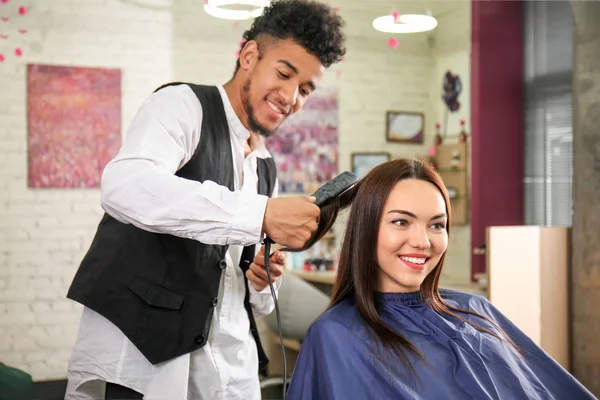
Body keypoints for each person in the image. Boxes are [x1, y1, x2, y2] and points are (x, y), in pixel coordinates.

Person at [64, 1, 346, 399]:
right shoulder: (181, 106)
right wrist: (260, 214)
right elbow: (124, 185)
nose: (291, 97)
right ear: (250, 56)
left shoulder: (267, 170)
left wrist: (264, 280)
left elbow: (257, 301)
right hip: (144, 359)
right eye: (284, 73)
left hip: (228, 370)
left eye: (305, 89)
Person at [286, 158, 596, 400]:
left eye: (437, 225)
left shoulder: (476, 309)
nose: (423, 241)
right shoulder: (336, 336)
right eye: (401, 222)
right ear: (366, 228)